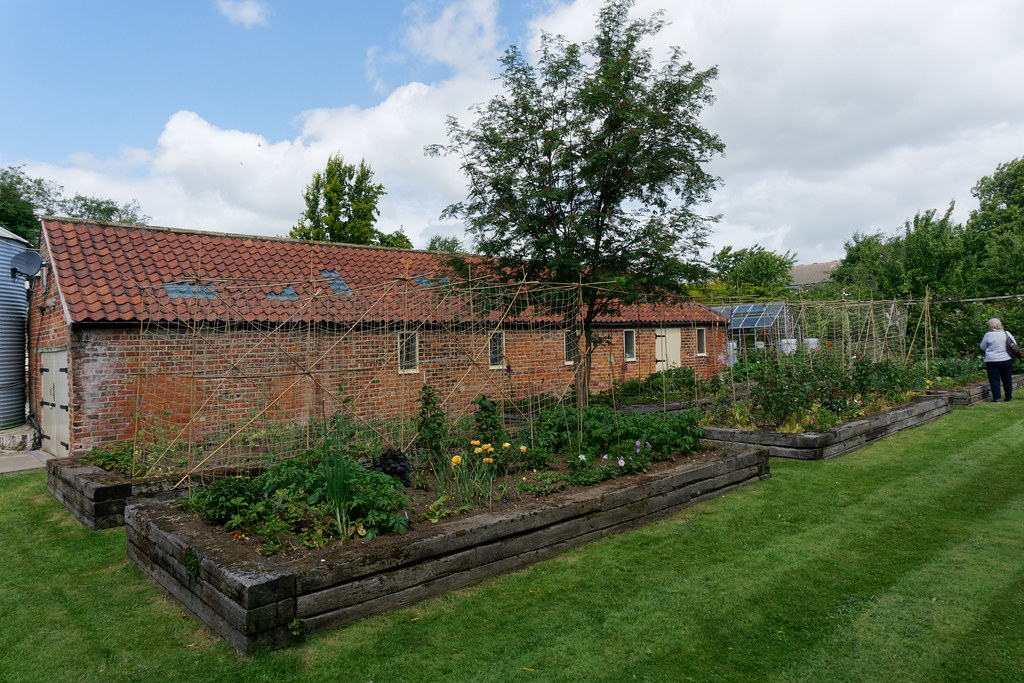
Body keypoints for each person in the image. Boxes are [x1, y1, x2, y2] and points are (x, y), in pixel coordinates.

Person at [980, 317, 1016, 402]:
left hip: (992, 360)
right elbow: (1014, 344)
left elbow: (982, 347)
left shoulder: (988, 335)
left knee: (994, 380)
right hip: (1006, 358)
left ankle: (997, 398)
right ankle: (1008, 397)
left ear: (991, 326)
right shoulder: (1006, 333)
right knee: (1007, 379)